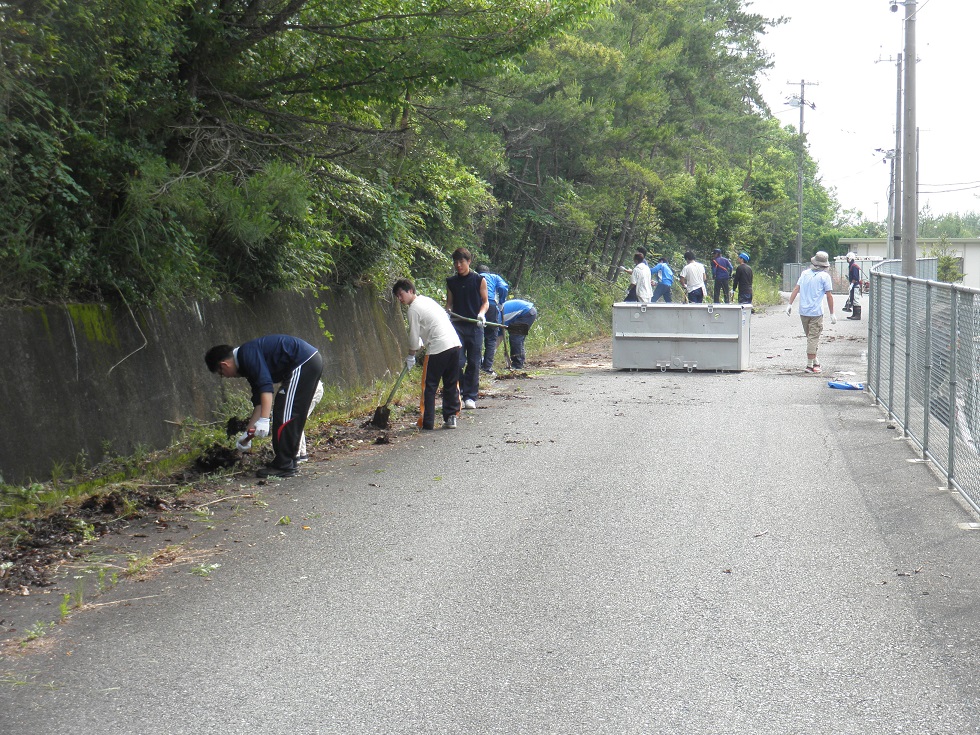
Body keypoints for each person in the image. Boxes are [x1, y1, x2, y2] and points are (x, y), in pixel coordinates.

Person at [205, 335, 323, 478]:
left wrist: (265, 420)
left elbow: (266, 387)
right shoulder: (246, 363)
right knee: (284, 411)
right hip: (307, 362)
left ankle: (284, 465)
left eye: (221, 373)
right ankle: (288, 461)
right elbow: (260, 402)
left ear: (224, 365)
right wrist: (246, 437)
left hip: (303, 362)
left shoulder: (246, 354)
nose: (225, 376)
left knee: (285, 413)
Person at [393, 279, 462, 430]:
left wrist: (411, 354)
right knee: (451, 382)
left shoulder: (413, 309)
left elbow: (413, 336)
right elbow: (430, 326)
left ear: (410, 290)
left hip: (438, 348)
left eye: (400, 294)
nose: (400, 299)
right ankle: (451, 417)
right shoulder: (427, 301)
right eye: (397, 296)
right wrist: (420, 343)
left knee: (429, 386)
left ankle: (427, 421)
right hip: (454, 344)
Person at [446, 248, 489, 411]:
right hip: (457, 325)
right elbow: (449, 304)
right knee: (457, 361)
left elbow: (485, 302)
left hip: (475, 326)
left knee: (473, 362)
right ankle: (461, 390)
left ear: (469, 262)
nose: (458, 266)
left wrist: (481, 314)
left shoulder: (479, 280)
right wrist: (447, 314)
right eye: (456, 263)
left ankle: (470, 396)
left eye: (461, 262)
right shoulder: (451, 282)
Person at [786, 251, 837, 374]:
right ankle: (809, 365)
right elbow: (829, 296)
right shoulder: (824, 277)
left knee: (810, 338)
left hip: (803, 311)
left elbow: (796, 288)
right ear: (824, 265)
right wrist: (832, 313)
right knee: (813, 339)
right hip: (816, 312)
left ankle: (816, 362)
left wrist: (790, 303)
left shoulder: (804, 274)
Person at [476, 265, 510, 375]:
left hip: (476, 306)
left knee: (476, 336)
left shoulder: (474, 277)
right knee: (491, 337)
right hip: (490, 305)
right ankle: (487, 368)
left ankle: (476, 365)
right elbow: (504, 287)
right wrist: (501, 301)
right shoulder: (493, 277)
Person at [501, 298, 538, 369]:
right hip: (525, 312)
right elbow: (499, 337)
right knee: (517, 338)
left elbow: (496, 337)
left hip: (527, 312)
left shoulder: (497, 317)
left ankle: (517, 364)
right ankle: (520, 361)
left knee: (515, 337)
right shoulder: (496, 315)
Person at [846, 253, 862, 321]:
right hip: (854, 285)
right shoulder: (851, 265)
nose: (846, 259)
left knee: (856, 299)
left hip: (855, 285)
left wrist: (852, 284)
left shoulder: (854, 266)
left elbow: (855, 277)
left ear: (850, 258)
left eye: (847, 258)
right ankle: (854, 314)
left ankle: (857, 315)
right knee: (853, 299)